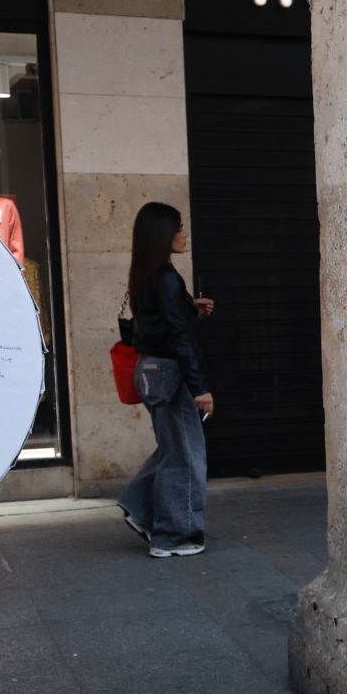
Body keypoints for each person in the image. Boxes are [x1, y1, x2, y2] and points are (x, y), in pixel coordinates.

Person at [117, 202, 215, 558]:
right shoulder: (166, 278)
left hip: (151, 370)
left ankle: (140, 509)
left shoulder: (147, 274)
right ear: (162, 235)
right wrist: (200, 387)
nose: (184, 234)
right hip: (169, 373)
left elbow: (160, 324)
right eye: (178, 228)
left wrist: (190, 307)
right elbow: (178, 339)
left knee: (174, 447)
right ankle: (173, 536)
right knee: (186, 455)